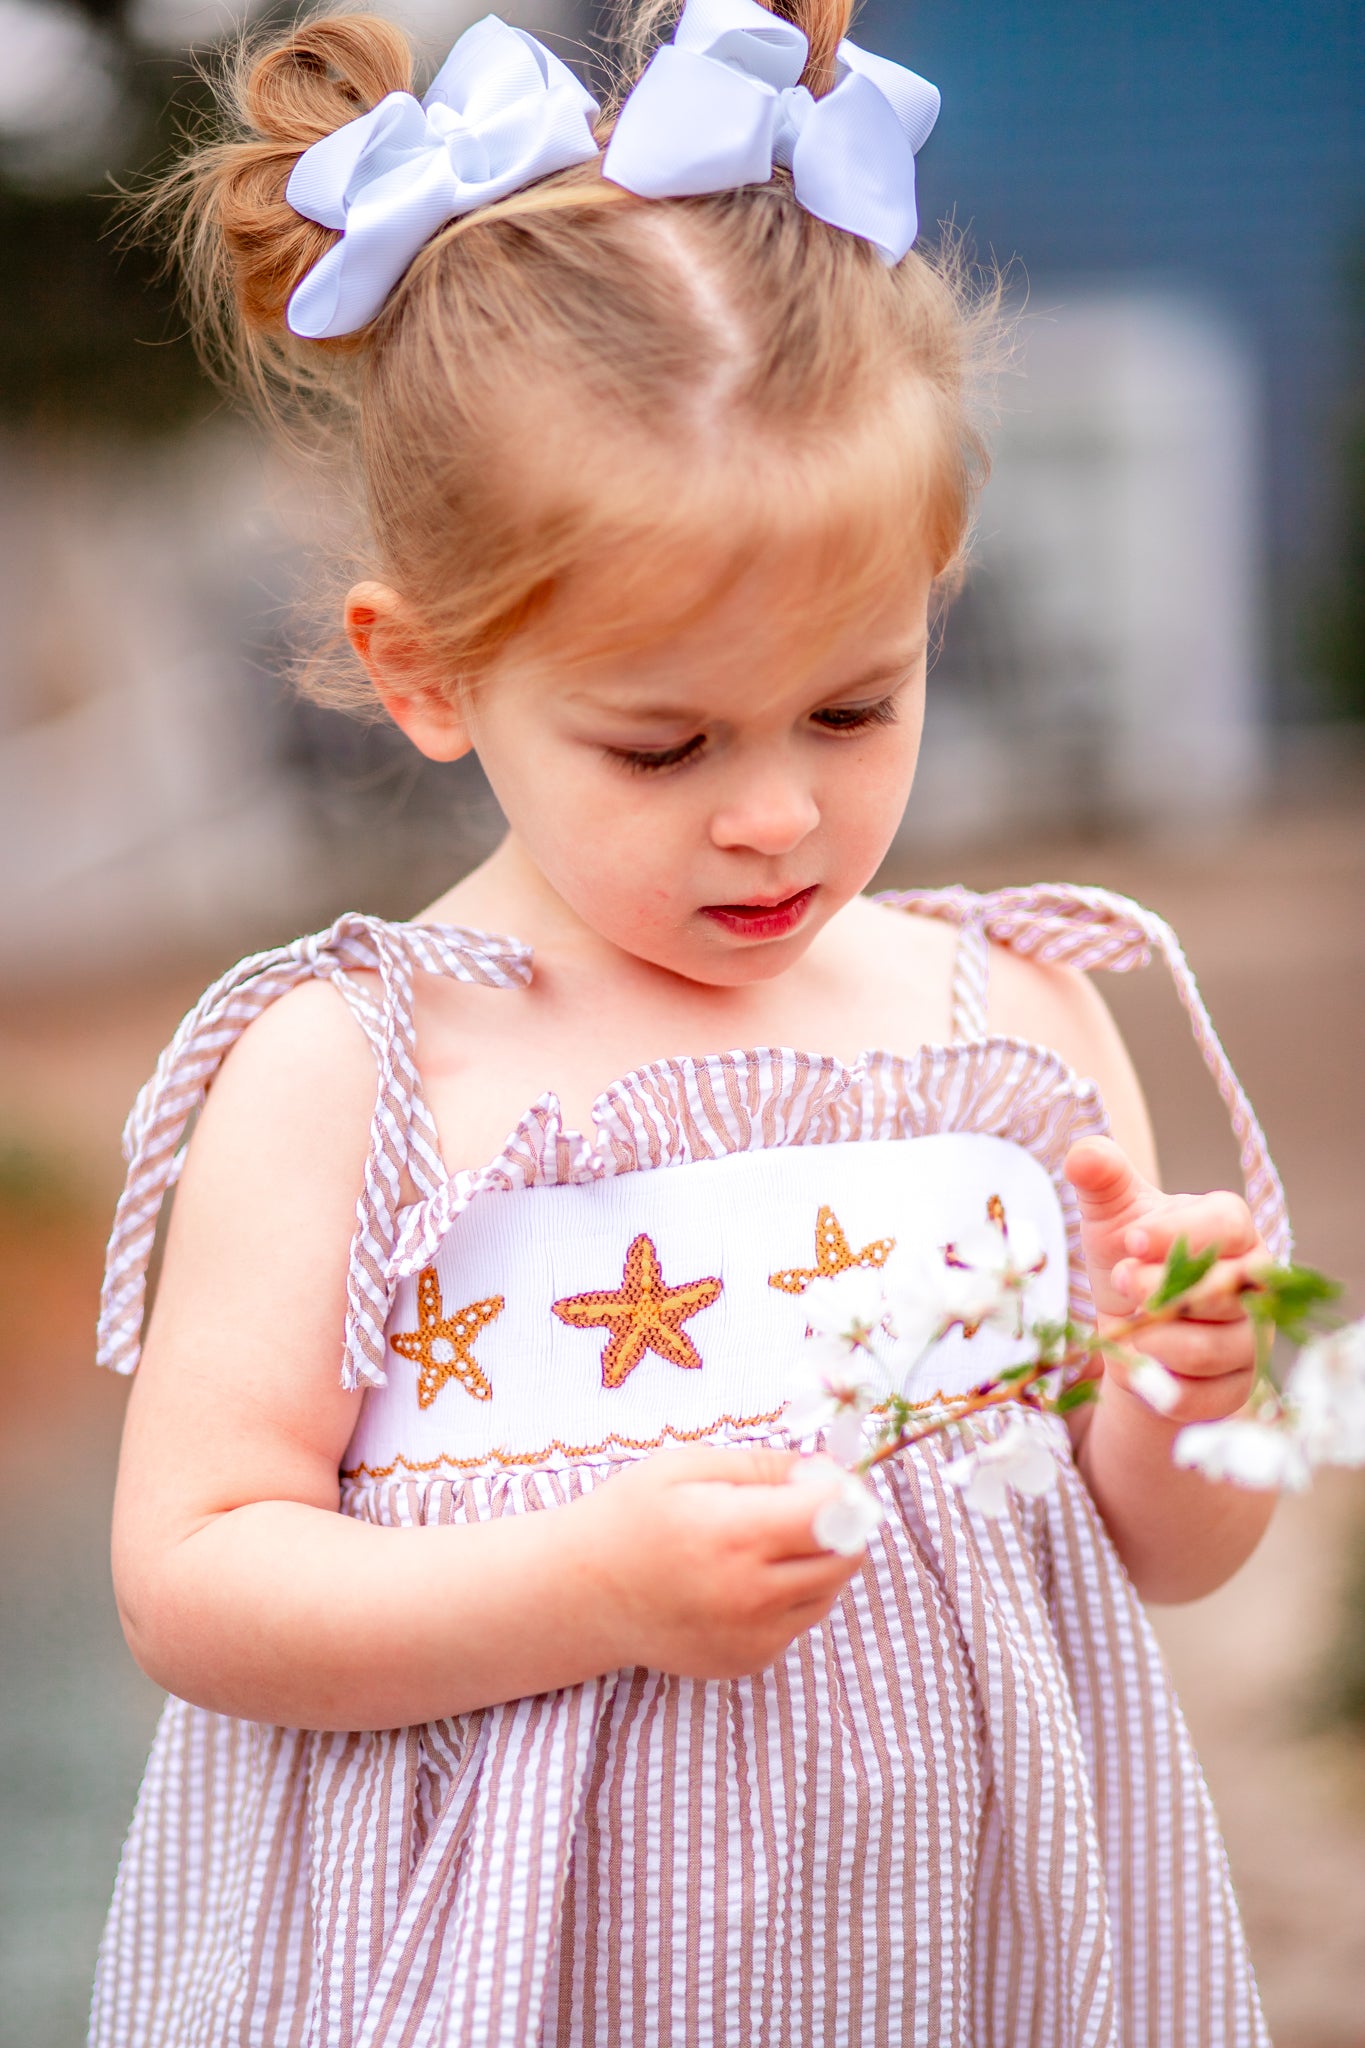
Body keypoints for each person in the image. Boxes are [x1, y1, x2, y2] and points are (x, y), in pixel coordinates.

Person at [91, 2, 1290, 2041]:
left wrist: (1194, 1388)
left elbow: (1161, 1553)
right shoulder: (357, 1070)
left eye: (851, 705)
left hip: (963, 1962)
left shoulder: (998, 1022)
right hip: (514, 1979)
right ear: (429, 673)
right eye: (658, 743)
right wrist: (583, 1590)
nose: (774, 811)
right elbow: (195, 1576)